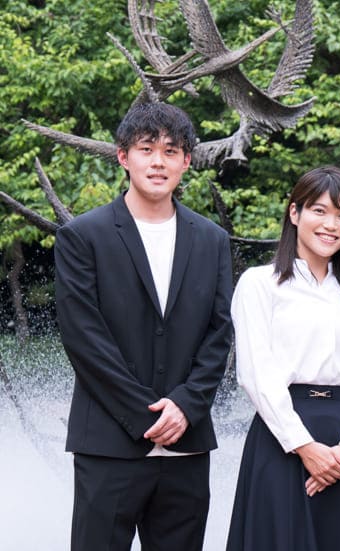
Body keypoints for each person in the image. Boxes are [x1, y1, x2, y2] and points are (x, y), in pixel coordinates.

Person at [54, 102, 233, 550]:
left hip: (186, 446)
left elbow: (219, 335)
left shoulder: (212, 240)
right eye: (146, 148)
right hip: (108, 444)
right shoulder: (83, 236)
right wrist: (146, 416)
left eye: (171, 151)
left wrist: (185, 406)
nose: (158, 161)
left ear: (186, 161)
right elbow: (84, 338)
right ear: (123, 156)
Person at [226, 166, 340, 550]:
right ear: (294, 213)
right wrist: (303, 446)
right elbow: (256, 374)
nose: (331, 225)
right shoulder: (259, 284)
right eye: (319, 210)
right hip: (281, 439)